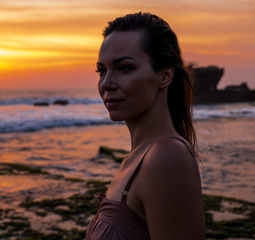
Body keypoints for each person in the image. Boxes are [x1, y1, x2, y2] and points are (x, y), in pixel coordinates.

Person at [86, 12, 205, 240]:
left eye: (124, 68)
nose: (106, 83)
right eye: (102, 70)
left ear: (164, 76)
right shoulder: (136, 158)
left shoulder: (167, 157)